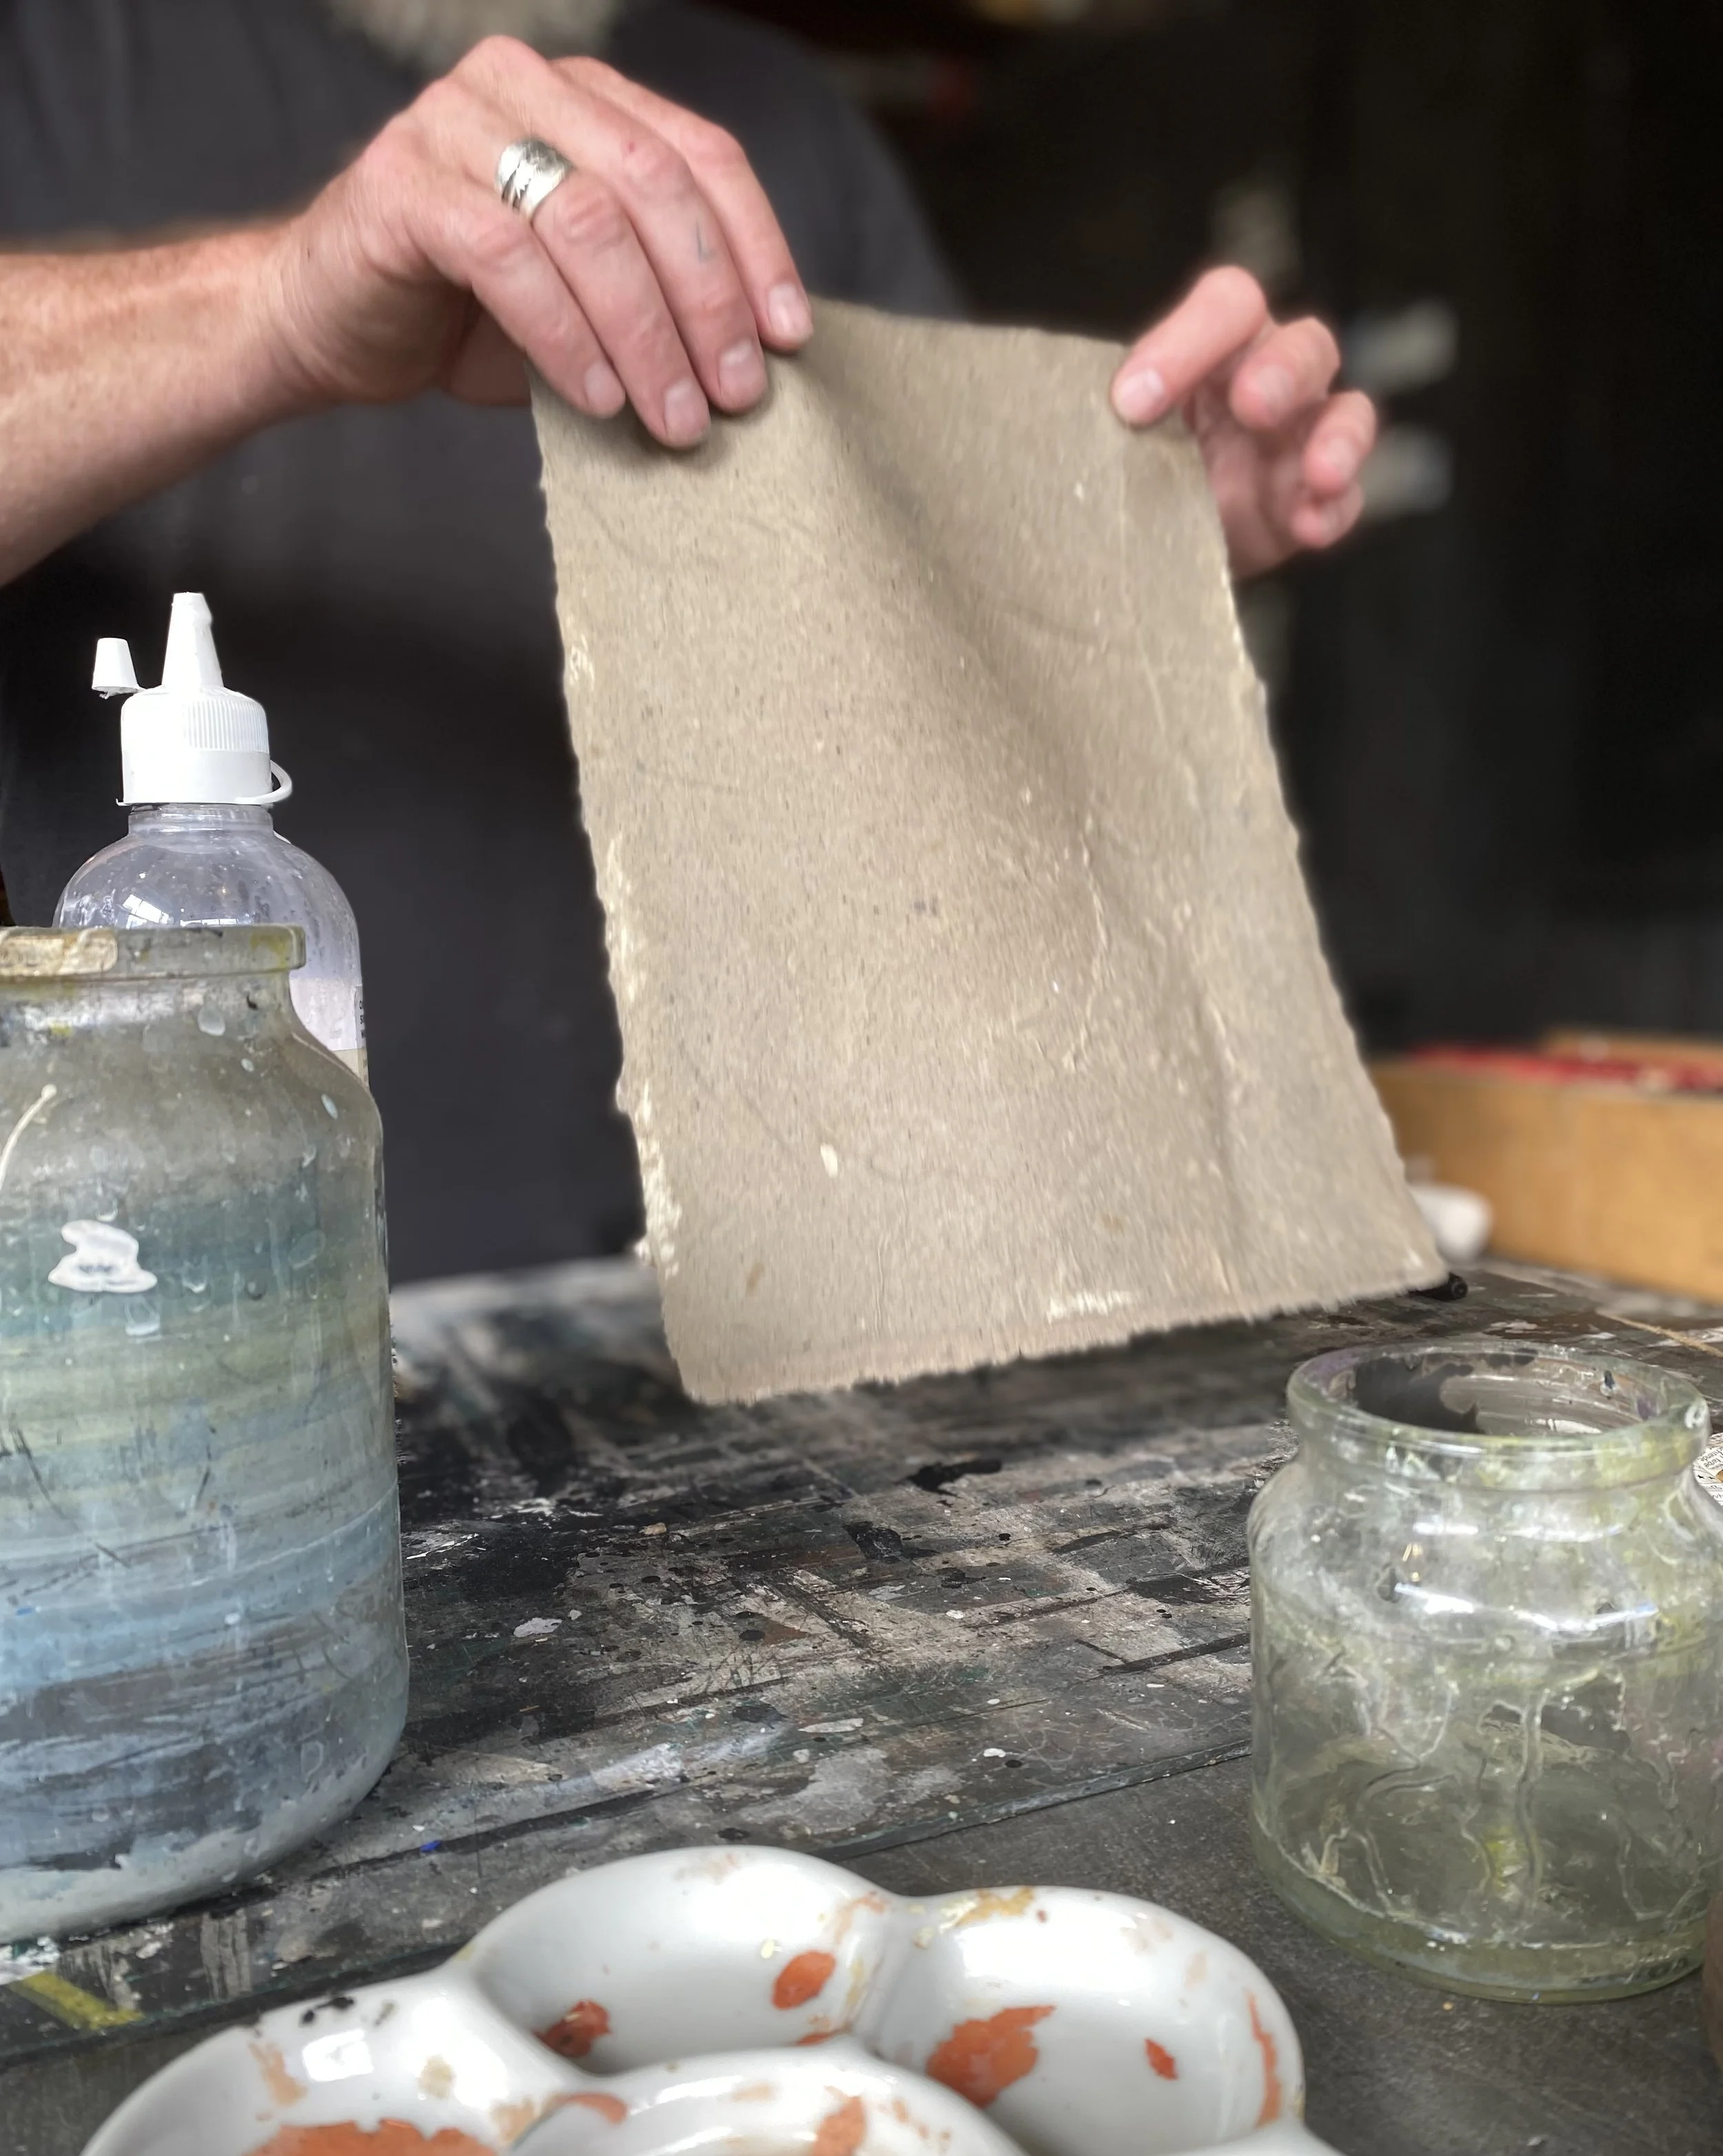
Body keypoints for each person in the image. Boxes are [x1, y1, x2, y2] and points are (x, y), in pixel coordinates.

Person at [0, 3, 1374, 1280]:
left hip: (714, 1319)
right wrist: (277, 305)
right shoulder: (53, 54)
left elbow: (938, 672)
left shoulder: (780, 129)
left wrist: (1123, 550)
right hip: (188, 1326)